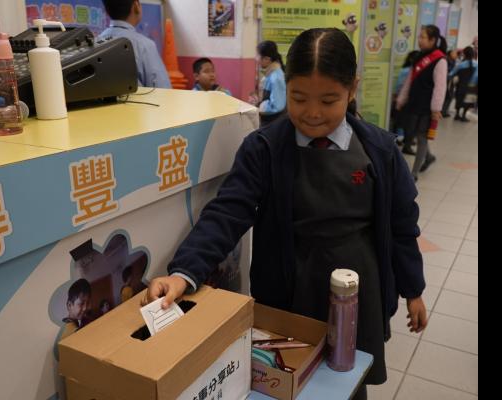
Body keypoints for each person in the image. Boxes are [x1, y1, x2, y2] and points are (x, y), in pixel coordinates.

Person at [143, 28, 427, 400]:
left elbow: (402, 226)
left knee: (347, 383)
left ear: (352, 89)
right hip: (289, 291)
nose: (312, 113)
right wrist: (184, 272)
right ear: (285, 86)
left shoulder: (380, 151)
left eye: (328, 100)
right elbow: (228, 211)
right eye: (298, 98)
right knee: (286, 381)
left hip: (358, 294)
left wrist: (413, 290)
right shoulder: (264, 149)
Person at [396, 25, 447, 181]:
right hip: (414, 102)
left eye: (423, 37)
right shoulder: (418, 56)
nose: (419, 40)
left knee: (422, 137)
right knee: (417, 134)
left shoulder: (440, 60)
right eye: (419, 36)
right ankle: (429, 157)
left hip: (427, 106)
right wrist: (401, 99)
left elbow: (440, 87)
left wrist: (436, 109)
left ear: (432, 40)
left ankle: (414, 174)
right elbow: (409, 81)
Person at [98, 0, 171, 88]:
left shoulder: (95, 43)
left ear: (105, 11)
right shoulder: (144, 46)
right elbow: (163, 89)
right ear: (136, 5)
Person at [249, 40, 286, 126]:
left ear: (267, 59)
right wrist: (258, 101)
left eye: (258, 55)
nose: (256, 58)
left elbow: (276, 106)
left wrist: (259, 106)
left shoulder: (276, 77)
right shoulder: (271, 73)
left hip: (273, 124)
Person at [392, 51, 420, 143]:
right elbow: (400, 85)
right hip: (406, 98)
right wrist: (396, 95)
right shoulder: (408, 71)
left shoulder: (410, 70)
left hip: (409, 98)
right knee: (402, 119)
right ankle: (401, 137)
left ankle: (403, 137)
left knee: (403, 119)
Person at [449, 46, 478, 122]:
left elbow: (451, 73)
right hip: (472, 87)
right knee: (468, 101)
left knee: (459, 100)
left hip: (461, 86)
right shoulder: (476, 64)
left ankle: (457, 114)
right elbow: (476, 76)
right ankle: (464, 116)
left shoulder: (460, 64)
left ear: (464, 54)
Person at [441, 49, 459, 118]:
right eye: (454, 53)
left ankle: (444, 111)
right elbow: (448, 71)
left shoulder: (453, 61)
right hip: (447, 81)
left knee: (448, 96)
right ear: (450, 54)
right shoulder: (447, 60)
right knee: (448, 96)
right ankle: (443, 112)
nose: (456, 55)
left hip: (449, 80)